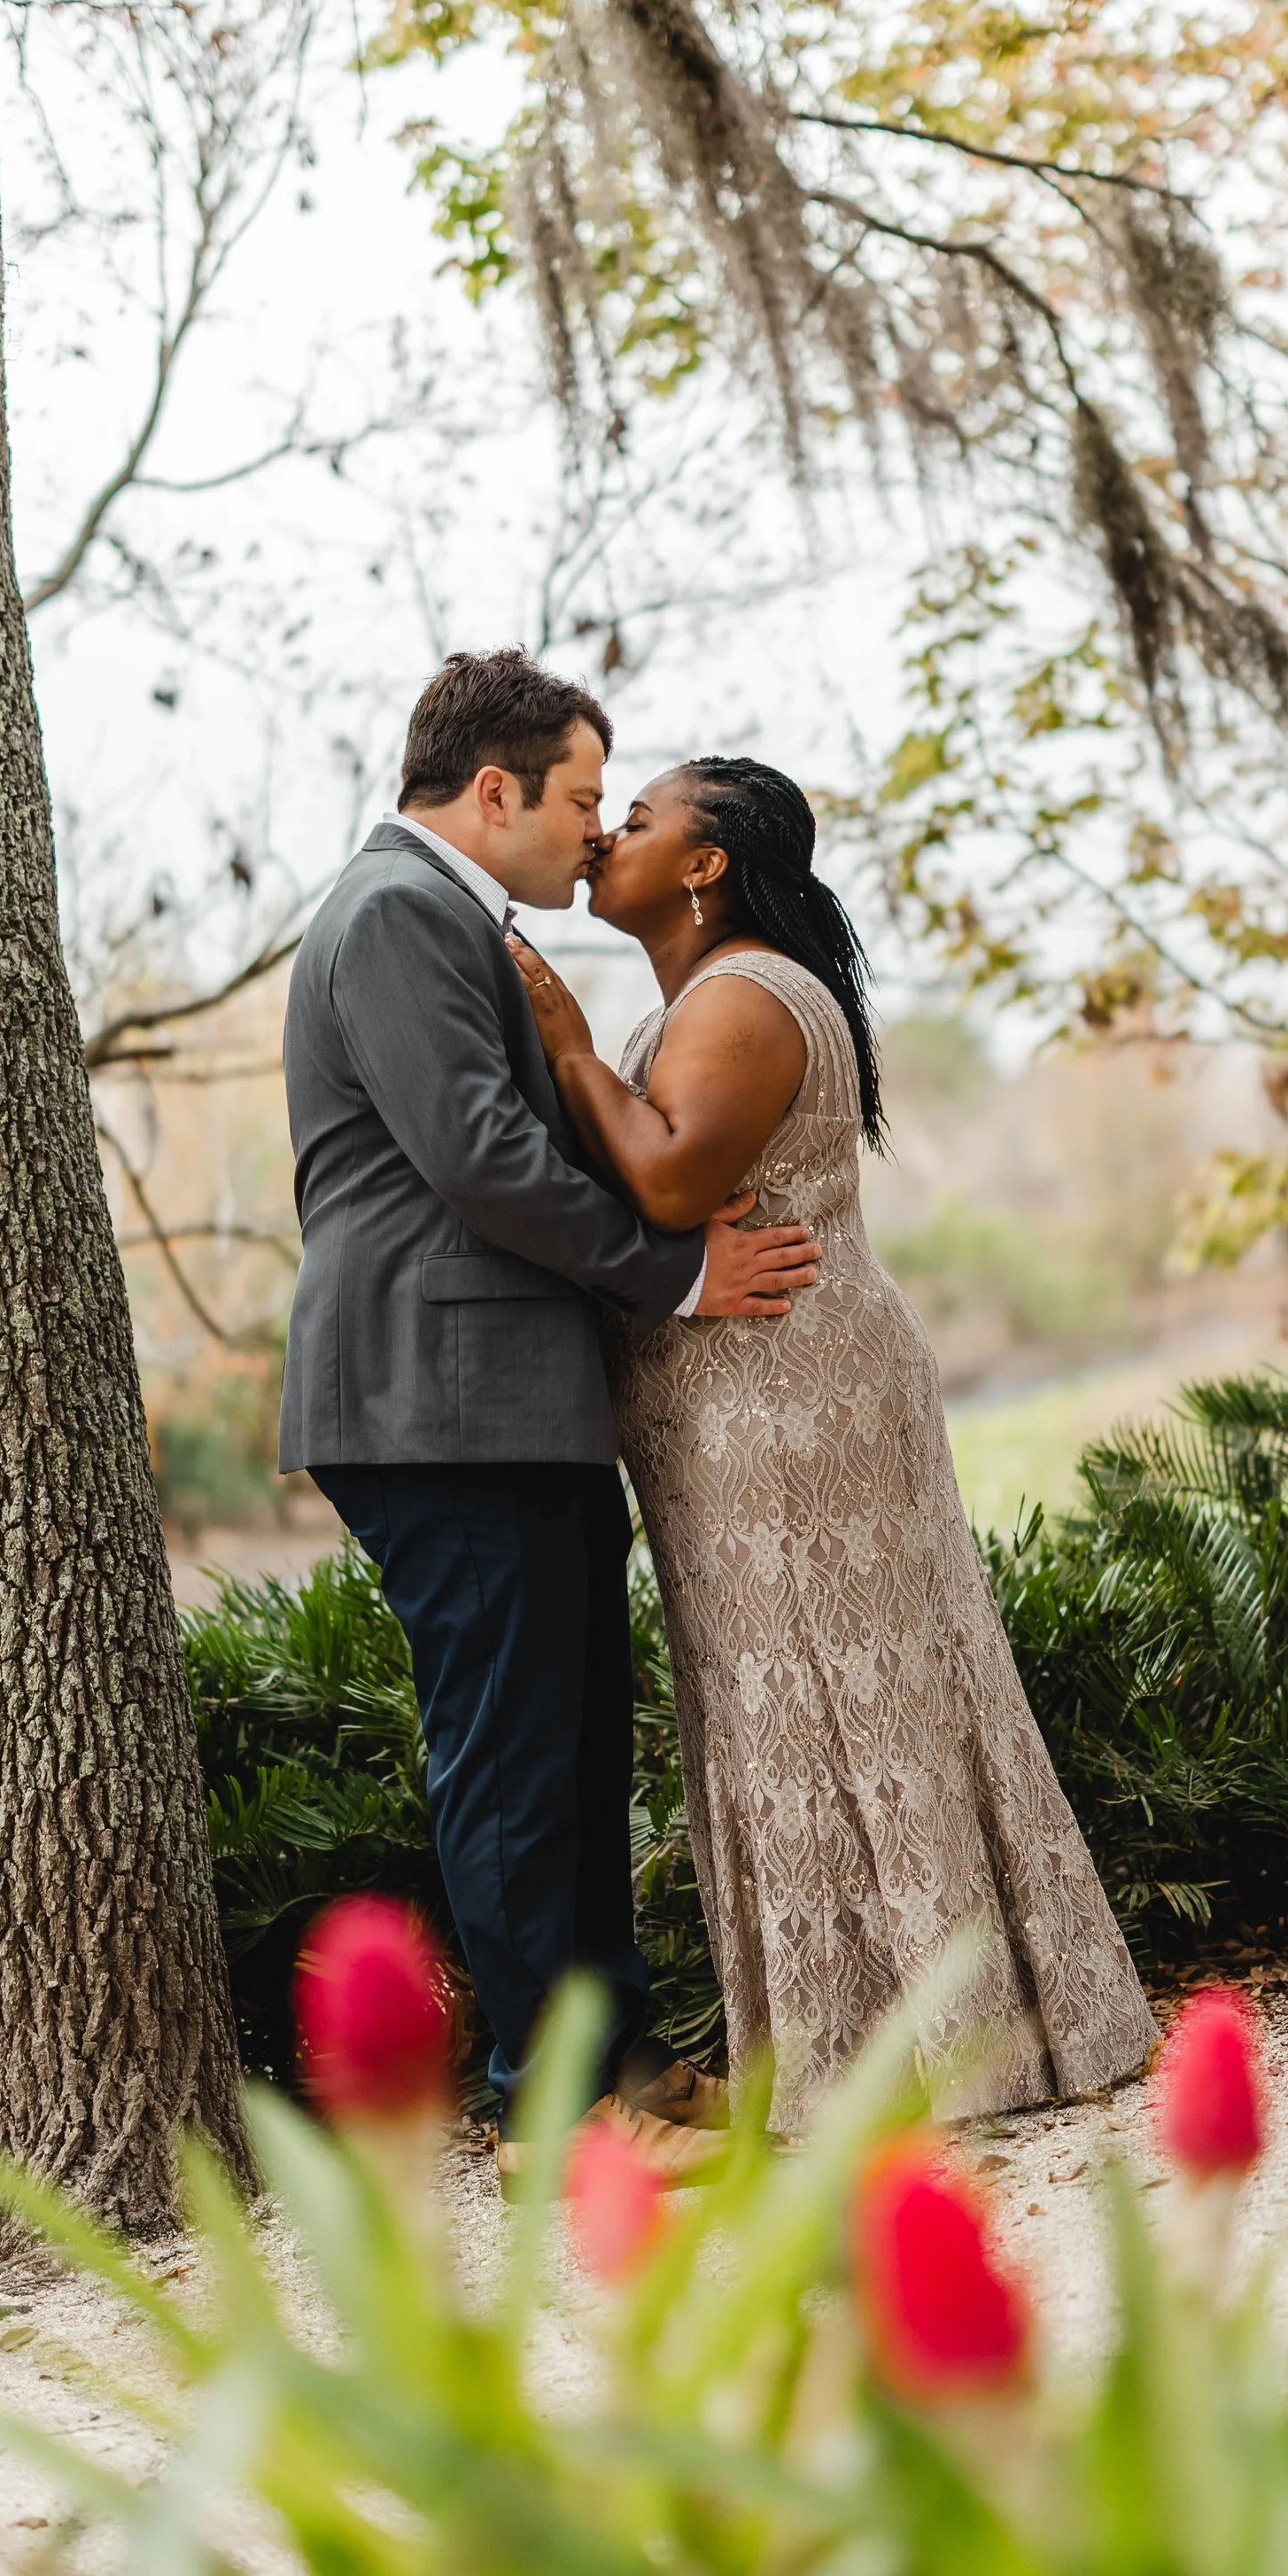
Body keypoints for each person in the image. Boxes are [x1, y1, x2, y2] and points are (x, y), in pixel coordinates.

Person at [509, 757, 1151, 2132]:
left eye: (642, 815)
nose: (610, 829)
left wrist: (565, 1038)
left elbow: (674, 1175)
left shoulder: (744, 993)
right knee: (799, 1697)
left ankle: (909, 2053)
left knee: (827, 1694)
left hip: (788, 1401)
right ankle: (906, 2042)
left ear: (705, 864)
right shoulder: (713, 992)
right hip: (743, 1400)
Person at [278, 655, 819, 2150]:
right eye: (582, 795)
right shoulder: (394, 911)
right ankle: (552, 2102)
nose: (594, 829)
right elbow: (476, 1161)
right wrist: (678, 1273)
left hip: (512, 1395)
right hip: (435, 1396)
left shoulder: (459, 923)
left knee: (573, 1744)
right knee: (514, 1754)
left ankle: (627, 2062)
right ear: (495, 788)